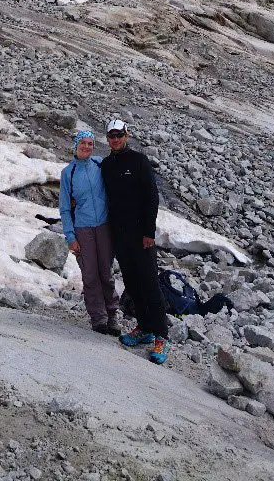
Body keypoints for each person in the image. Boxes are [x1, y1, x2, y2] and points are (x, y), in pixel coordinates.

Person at [101, 117, 170, 365]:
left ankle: (162, 335)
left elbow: (152, 198)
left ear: (127, 135)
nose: (116, 139)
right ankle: (144, 328)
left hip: (142, 236)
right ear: (107, 139)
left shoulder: (139, 161)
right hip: (120, 236)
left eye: (119, 135)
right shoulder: (107, 165)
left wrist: (149, 233)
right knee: (132, 283)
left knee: (150, 283)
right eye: (112, 136)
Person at [59, 130, 120, 336]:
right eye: (83, 143)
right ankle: (98, 318)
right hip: (82, 228)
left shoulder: (99, 164)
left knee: (106, 272)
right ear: (76, 145)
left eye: (90, 143)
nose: (86, 146)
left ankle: (112, 315)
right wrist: (70, 236)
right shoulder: (69, 173)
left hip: (104, 226)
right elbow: (65, 208)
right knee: (90, 274)